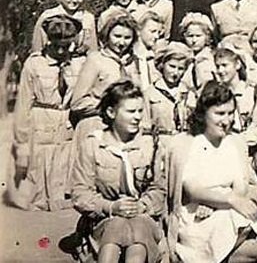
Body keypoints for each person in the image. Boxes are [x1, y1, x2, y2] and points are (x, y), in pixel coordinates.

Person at [164, 81, 257, 263]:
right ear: (203, 114)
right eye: (219, 114)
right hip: (196, 213)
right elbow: (191, 189)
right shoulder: (187, 143)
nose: (226, 120)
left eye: (230, 113)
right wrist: (226, 200)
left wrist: (221, 203)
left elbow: (240, 186)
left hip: (227, 209)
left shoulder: (236, 142)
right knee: (244, 225)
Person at [72, 80, 166, 263]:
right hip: (103, 220)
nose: (137, 117)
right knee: (115, 236)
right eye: (131, 111)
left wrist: (143, 206)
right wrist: (110, 207)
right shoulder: (93, 144)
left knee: (137, 241)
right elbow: (80, 193)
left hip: (142, 217)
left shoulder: (149, 145)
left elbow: (159, 189)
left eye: (140, 111)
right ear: (111, 112)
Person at [11, 15, 86, 211]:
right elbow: (23, 104)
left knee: (63, 166)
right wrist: (21, 142)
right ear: (48, 39)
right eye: (56, 43)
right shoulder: (34, 64)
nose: (61, 49)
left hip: (66, 120)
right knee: (39, 170)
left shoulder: (79, 64)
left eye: (66, 44)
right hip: (41, 119)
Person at [71, 9, 139, 138]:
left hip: (124, 131)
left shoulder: (133, 62)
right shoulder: (95, 60)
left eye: (127, 38)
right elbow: (77, 103)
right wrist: (107, 107)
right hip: (98, 126)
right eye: (117, 36)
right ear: (107, 35)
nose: (121, 42)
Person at [32, 0, 98, 55]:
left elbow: (93, 51)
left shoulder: (88, 17)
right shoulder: (48, 16)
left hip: (80, 64)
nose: (74, 0)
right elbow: (37, 48)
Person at [144, 41, 193, 147]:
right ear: (162, 65)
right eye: (172, 66)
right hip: (160, 145)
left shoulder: (189, 94)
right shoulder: (150, 93)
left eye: (180, 69)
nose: (175, 73)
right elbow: (145, 127)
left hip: (184, 145)